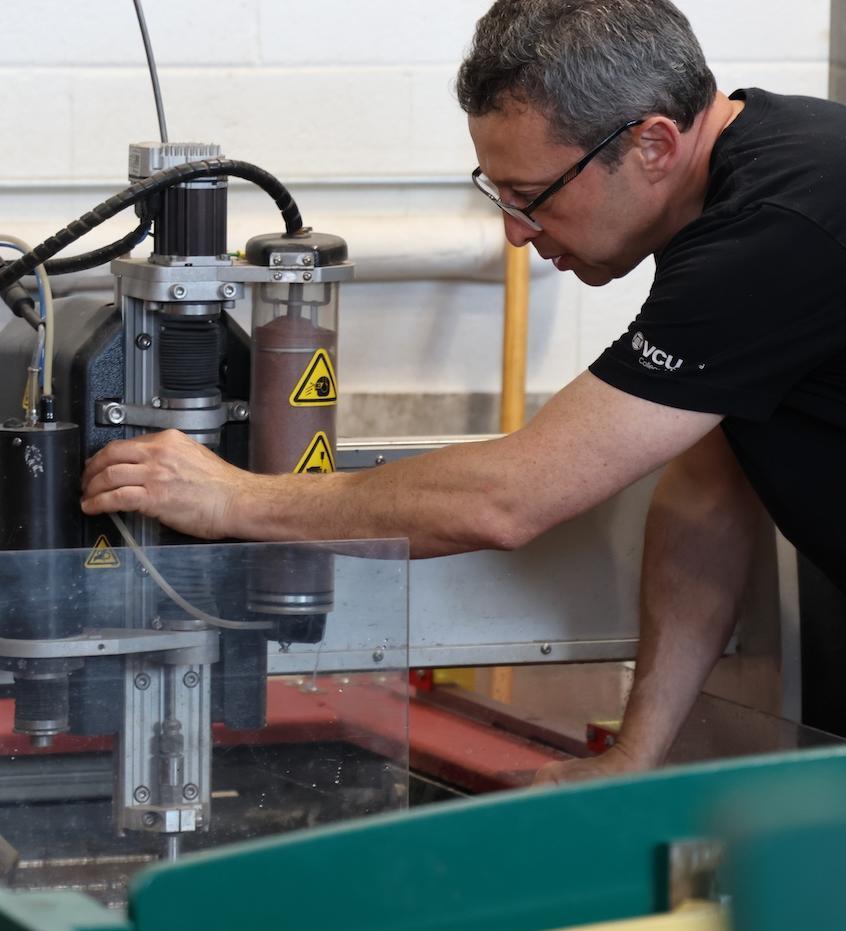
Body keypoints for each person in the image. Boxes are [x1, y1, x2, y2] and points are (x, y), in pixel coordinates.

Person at [81, 0, 846, 783]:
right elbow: (707, 495)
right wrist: (635, 755)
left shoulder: (779, 228)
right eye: (499, 194)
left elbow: (509, 499)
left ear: (652, 144)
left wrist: (233, 500)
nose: (516, 230)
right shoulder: (760, 181)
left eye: (533, 194)